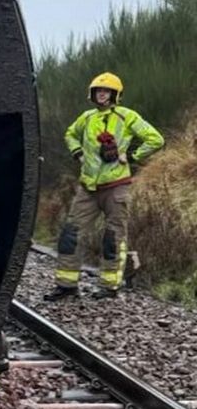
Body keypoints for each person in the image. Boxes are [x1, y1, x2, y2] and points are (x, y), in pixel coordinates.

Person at [45, 72, 164, 301]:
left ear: (115, 94)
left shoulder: (126, 116)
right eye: (98, 91)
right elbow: (70, 134)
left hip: (116, 187)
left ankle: (109, 287)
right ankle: (66, 286)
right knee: (71, 234)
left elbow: (155, 139)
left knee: (113, 237)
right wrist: (78, 152)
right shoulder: (87, 117)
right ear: (92, 94)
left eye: (106, 91)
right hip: (87, 188)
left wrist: (131, 155)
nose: (101, 94)